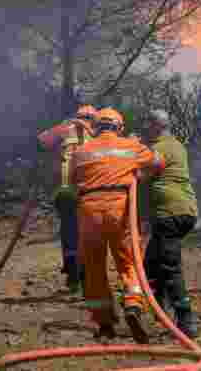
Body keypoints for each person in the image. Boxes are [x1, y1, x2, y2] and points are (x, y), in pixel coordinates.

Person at [72, 107, 166, 343]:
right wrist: (137, 170)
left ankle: (104, 324)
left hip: (88, 211)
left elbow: (74, 180)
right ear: (119, 127)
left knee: (93, 268)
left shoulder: (80, 151)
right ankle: (133, 305)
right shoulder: (130, 146)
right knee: (128, 261)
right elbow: (159, 163)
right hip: (120, 209)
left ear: (95, 127)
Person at [141, 109, 201, 338]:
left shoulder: (159, 149)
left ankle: (186, 321)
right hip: (183, 212)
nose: (146, 128)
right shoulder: (176, 145)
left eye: (148, 124)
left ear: (157, 126)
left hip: (170, 214)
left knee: (169, 267)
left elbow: (141, 174)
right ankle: (160, 313)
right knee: (150, 263)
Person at [37, 104, 96, 292]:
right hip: (89, 192)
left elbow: (41, 141)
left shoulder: (64, 129)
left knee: (70, 232)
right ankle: (88, 278)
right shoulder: (97, 133)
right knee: (88, 235)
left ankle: (73, 276)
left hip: (65, 190)